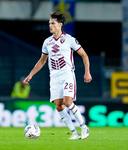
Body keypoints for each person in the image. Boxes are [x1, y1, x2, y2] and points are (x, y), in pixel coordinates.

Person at [23, 11, 92, 139]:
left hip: (67, 74)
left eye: (53, 23)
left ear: (60, 25)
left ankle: (83, 127)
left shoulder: (69, 39)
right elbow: (42, 60)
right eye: (49, 23)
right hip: (54, 77)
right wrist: (31, 74)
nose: (50, 26)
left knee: (67, 102)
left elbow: (84, 55)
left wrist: (87, 72)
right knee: (58, 105)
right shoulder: (47, 42)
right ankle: (74, 133)